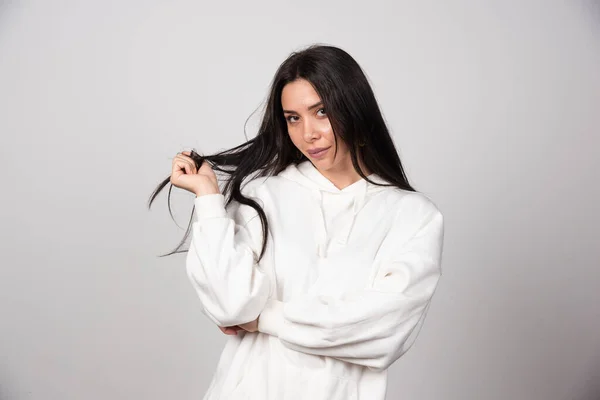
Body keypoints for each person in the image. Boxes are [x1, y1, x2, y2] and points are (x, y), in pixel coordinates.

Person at [150, 44, 444, 400]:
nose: (308, 133)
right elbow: (229, 305)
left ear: (353, 109)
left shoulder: (413, 216)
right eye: (293, 118)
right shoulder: (261, 195)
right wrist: (209, 199)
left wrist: (264, 320)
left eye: (321, 112)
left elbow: (383, 332)